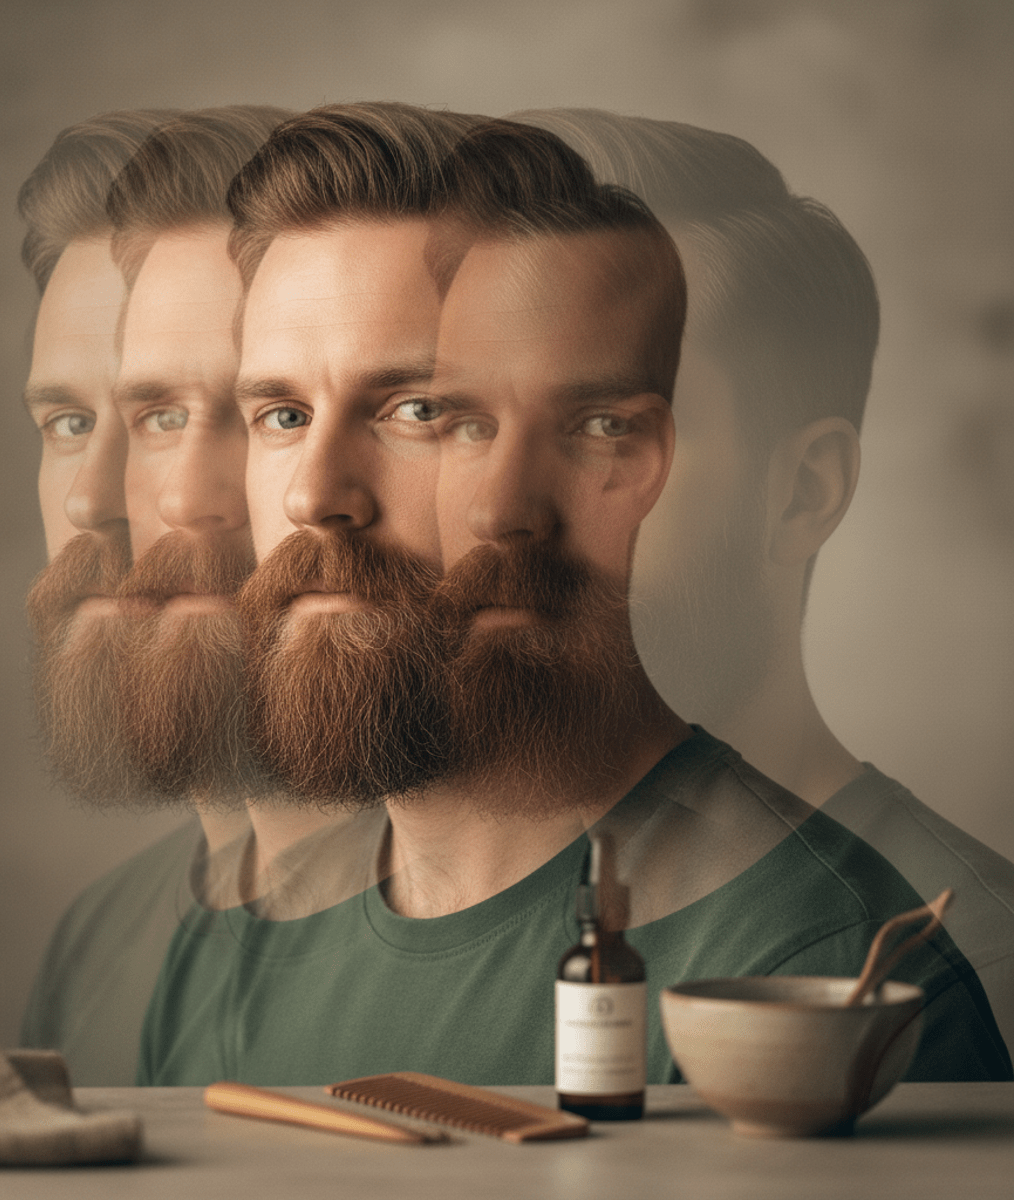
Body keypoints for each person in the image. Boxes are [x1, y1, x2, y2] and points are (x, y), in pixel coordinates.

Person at [137, 112, 1010, 1086]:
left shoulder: (856, 970)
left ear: (802, 488)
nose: (311, 496)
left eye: (420, 410)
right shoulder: (233, 939)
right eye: (282, 414)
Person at [510, 108, 1014, 1055]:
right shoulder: (398, 921)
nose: (502, 507)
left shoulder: (968, 980)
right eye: (462, 421)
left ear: (802, 493)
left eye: (609, 426)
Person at [17, 107, 286, 1085]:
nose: (92, 501)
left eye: (168, 415)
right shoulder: (99, 943)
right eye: (69, 421)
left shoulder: (601, 959)